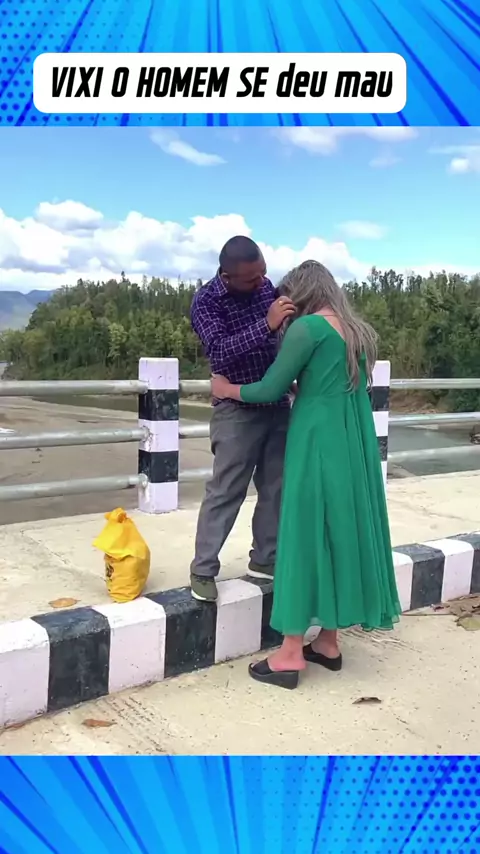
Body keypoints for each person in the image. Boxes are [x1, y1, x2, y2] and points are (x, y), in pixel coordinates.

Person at [211, 259, 401, 690]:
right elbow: (328, 384)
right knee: (336, 533)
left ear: (301, 294)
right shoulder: (356, 333)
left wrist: (225, 389)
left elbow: (269, 389)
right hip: (351, 446)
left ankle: (291, 652)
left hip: (315, 442)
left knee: (302, 536)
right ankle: (328, 643)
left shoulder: (307, 329)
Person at [189, 235, 296, 602]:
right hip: (236, 410)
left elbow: (282, 338)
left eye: (263, 273)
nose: (261, 282)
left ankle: (265, 559)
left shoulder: (265, 287)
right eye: (251, 278)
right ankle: (203, 569)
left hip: (276, 404)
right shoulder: (206, 302)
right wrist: (266, 324)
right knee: (226, 490)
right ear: (227, 275)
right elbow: (219, 353)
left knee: (276, 487)